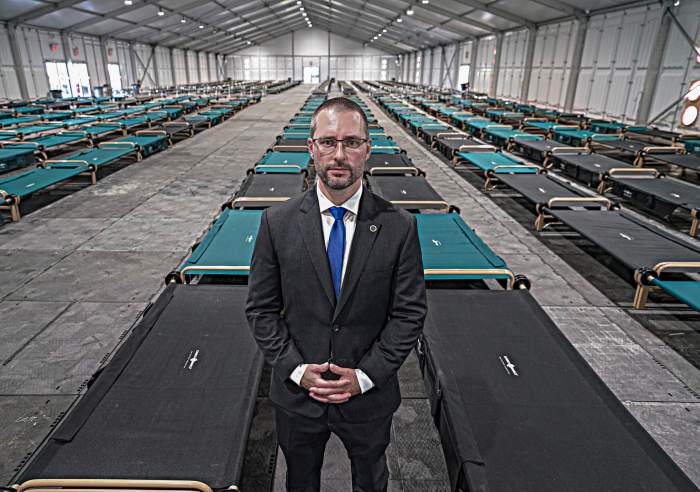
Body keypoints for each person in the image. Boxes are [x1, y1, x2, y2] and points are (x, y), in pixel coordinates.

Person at [246, 97, 427, 492]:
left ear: (367, 148)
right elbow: (261, 310)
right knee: (300, 481)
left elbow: (409, 315)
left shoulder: (399, 227)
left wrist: (364, 376)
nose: (339, 155)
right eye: (328, 142)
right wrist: (298, 370)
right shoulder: (276, 223)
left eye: (351, 142)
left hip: (368, 398)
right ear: (311, 149)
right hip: (298, 398)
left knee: (371, 479)